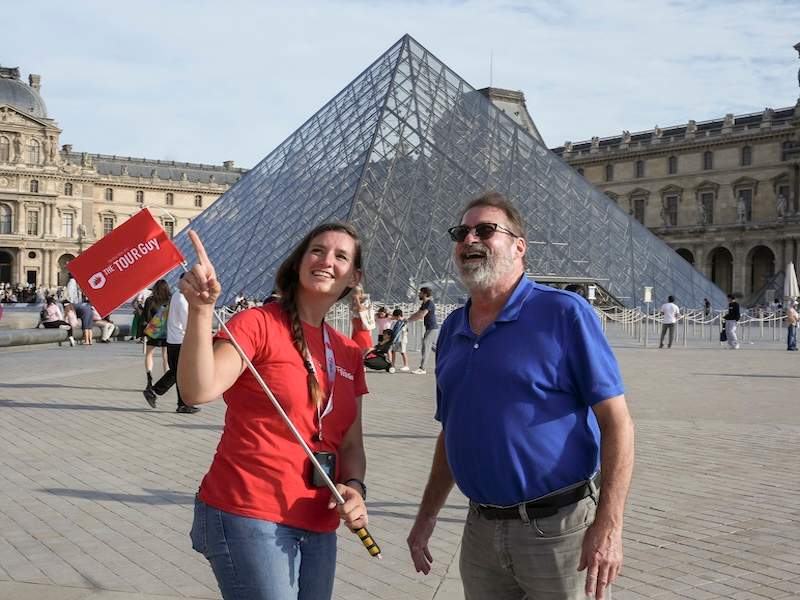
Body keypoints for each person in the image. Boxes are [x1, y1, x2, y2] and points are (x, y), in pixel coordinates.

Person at [407, 192, 634, 600]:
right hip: (480, 530)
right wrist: (426, 516)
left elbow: (617, 422)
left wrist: (609, 526)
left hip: (559, 531)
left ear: (519, 245)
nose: (469, 238)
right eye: (461, 232)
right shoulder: (453, 330)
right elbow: (452, 431)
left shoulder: (564, 313)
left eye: (485, 230)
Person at [179, 224, 370, 600]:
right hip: (250, 510)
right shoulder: (258, 323)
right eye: (317, 250)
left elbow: (350, 444)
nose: (326, 261)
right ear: (299, 261)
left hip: (319, 521)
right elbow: (198, 389)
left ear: (354, 276)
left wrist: (356, 489)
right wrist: (202, 312)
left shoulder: (348, 352)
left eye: (341, 256)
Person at [145, 275, 198, 412]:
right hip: (180, 340)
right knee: (179, 372)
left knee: (179, 372)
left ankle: (183, 404)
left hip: (173, 340)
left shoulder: (176, 296)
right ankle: (155, 391)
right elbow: (187, 323)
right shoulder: (182, 301)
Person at [142, 280, 171, 396]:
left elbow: (146, 317)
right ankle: (166, 381)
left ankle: (149, 377)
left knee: (149, 354)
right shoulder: (170, 300)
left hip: (154, 332)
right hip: (168, 332)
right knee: (165, 356)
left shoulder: (150, 300)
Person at [407, 286, 438, 374]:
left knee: (425, 345)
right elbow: (417, 313)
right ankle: (448, 356)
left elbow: (421, 315)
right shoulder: (424, 304)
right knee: (434, 347)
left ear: (424, 294)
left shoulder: (429, 303)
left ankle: (422, 368)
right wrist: (408, 319)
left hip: (432, 328)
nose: (419, 294)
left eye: (420, 293)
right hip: (429, 328)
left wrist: (410, 320)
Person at [349, 284, 374, 352]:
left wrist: (357, 300)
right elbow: (353, 309)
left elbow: (361, 309)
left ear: (361, 292)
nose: (356, 294)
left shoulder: (366, 300)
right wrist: (357, 303)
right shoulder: (352, 301)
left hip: (363, 323)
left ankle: (365, 358)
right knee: (356, 344)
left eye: (357, 292)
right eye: (354, 292)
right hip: (356, 324)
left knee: (365, 343)